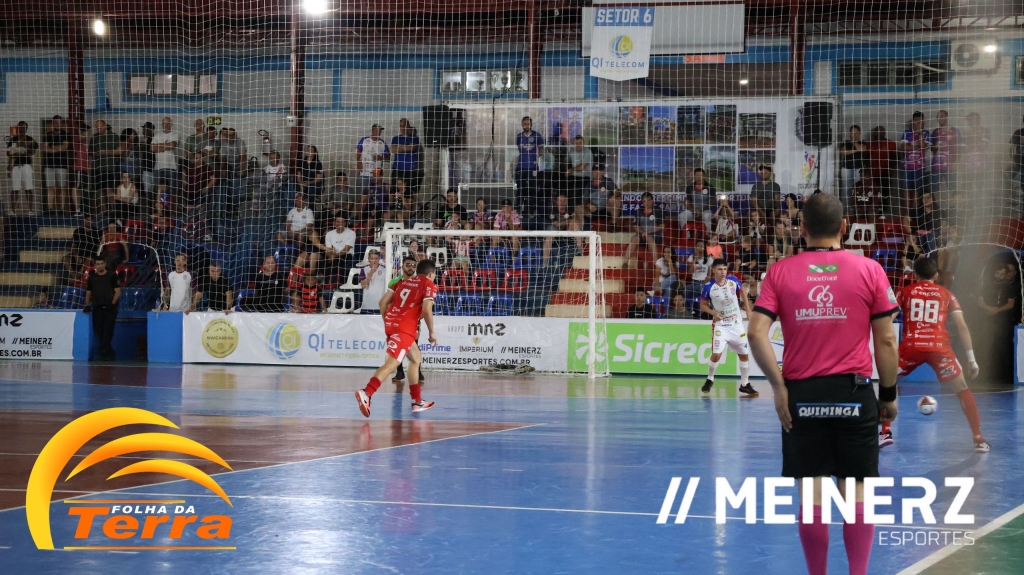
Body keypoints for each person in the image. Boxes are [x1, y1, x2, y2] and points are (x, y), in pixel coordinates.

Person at [747, 193, 900, 575]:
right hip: (854, 393)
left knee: (813, 494)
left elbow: (755, 332)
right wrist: (888, 396)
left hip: (802, 396)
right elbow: (886, 339)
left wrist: (779, 387)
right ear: (844, 227)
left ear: (801, 229)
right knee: (857, 492)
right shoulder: (869, 270)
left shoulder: (780, 271)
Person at [881, 257, 988, 451]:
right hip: (939, 348)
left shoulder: (905, 291)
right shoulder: (947, 294)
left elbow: (888, 318)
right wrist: (972, 359)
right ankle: (978, 439)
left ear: (915, 275)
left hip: (911, 347)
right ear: (936, 275)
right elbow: (962, 326)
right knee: (962, 389)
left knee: (888, 383)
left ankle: (885, 432)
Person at [355, 259, 439, 417]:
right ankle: (367, 392)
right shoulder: (429, 284)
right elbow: (427, 310)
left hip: (392, 324)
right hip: (404, 329)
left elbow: (382, 302)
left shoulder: (402, 282)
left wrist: (389, 322)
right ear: (430, 274)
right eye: (434, 275)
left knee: (416, 358)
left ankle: (417, 401)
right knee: (392, 365)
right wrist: (431, 332)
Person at [699, 259, 757, 396]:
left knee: (744, 355)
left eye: (724, 269)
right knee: (716, 355)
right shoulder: (708, 287)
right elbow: (702, 305)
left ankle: (745, 384)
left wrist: (748, 310)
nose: (723, 272)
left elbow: (742, 291)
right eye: (720, 269)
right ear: (713, 270)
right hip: (721, 326)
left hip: (736, 325)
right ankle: (710, 378)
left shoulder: (733, 281)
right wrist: (714, 313)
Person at [387, 255, 425, 385]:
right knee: (397, 345)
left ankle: (418, 370)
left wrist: (417, 318)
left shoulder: (420, 283)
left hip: (413, 320)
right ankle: (399, 371)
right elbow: (389, 302)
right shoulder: (394, 282)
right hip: (397, 321)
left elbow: (424, 305)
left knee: (414, 345)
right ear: (402, 266)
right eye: (408, 265)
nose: (410, 268)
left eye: (413, 266)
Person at [84, 259, 122, 361]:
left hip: (110, 308)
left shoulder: (112, 276)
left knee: (107, 331)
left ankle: (103, 353)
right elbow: (89, 292)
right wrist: (87, 305)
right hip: (97, 307)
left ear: (105, 264)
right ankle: (110, 353)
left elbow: (118, 291)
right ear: (95, 265)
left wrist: (112, 304)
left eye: (101, 264)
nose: (100, 266)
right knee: (99, 330)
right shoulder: (92, 277)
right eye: (98, 264)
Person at [622, 192, 664, 270]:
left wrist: (648, 232)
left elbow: (662, 226)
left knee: (649, 238)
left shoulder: (658, 211)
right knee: (634, 238)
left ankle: (656, 264)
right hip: (642, 234)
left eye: (648, 200)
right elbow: (635, 226)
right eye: (644, 201)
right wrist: (643, 232)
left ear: (652, 201)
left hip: (655, 235)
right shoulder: (639, 211)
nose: (646, 203)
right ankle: (625, 262)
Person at [358, 249, 387, 314]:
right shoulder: (364, 269)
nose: (374, 261)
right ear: (369, 259)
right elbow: (363, 285)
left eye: (376, 258)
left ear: (379, 259)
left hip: (380, 306)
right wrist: (372, 271)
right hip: (367, 306)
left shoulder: (385, 269)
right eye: (372, 258)